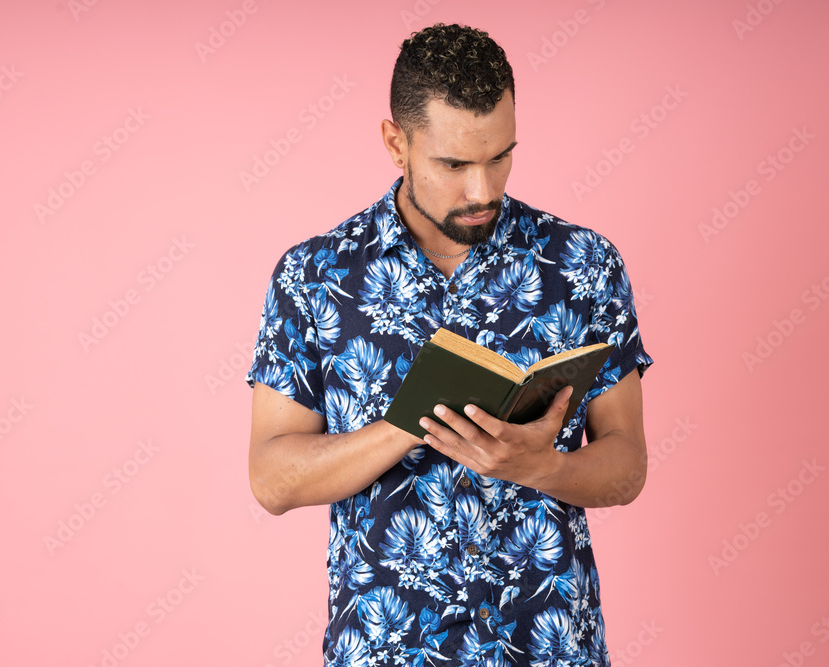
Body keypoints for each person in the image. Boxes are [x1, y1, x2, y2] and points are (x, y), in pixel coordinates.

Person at [247, 22, 652, 666]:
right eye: (455, 164)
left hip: (549, 646)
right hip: (386, 649)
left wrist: (541, 468)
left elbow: (627, 465)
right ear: (395, 143)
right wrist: (416, 421)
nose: (482, 190)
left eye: (500, 156)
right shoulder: (314, 276)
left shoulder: (583, 265)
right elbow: (272, 480)